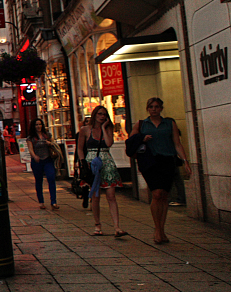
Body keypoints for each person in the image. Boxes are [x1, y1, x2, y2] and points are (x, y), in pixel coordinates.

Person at [130, 97, 191, 244]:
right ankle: (157, 229)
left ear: (161, 108)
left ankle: (162, 229)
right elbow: (131, 141)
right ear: (147, 109)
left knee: (164, 195)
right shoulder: (141, 124)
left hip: (167, 160)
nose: (154, 109)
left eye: (157, 106)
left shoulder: (169, 123)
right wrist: (142, 138)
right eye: (151, 107)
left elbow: (177, 143)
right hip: (151, 162)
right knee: (156, 194)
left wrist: (185, 161)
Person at [77, 105, 125, 237]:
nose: (102, 116)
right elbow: (80, 148)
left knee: (111, 195)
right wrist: (82, 163)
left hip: (107, 162)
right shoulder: (85, 130)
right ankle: (97, 225)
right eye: (99, 114)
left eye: (104, 114)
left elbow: (109, 144)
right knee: (95, 196)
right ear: (94, 115)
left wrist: (104, 128)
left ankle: (117, 227)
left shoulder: (108, 128)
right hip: (92, 163)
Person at [24, 118, 58, 211]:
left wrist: (49, 143)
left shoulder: (47, 135)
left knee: (51, 178)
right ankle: (41, 202)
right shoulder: (31, 138)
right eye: (36, 125)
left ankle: (53, 202)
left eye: (40, 124)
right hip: (37, 161)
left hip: (48, 159)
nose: (38, 126)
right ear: (33, 126)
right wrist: (34, 156)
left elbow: (53, 144)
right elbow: (30, 149)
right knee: (39, 181)